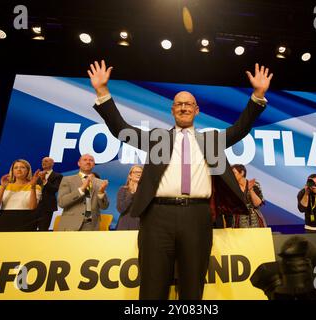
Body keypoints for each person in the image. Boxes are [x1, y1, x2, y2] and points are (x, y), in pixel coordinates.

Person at [87, 59, 272, 299]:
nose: (184, 107)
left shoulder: (211, 141)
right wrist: (102, 91)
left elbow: (240, 128)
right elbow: (120, 128)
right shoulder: (157, 139)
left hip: (198, 216)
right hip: (157, 217)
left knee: (193, 287)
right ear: (172, 110)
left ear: (197, 111)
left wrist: (258, 94)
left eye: (189, 104)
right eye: (179, 104)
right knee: (153, 287)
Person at [57, 154, 109, 231]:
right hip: (70, 226)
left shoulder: (100, 183)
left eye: (91, 160)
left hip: (91, 227)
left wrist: (101, 193)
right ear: (79, 163)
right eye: (85, 160)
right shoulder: (67, 180)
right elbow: (62, 202)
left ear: (94, 164)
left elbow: (104, 207)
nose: (88, 162)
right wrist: (82, 189)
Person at [0, 159, 41, 231]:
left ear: (28, 170)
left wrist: (32, 186)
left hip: (26, 221)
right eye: (16, 167)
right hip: (3, 221)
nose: (19, 169)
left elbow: (32, 207)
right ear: (12, 171)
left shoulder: (35, 187)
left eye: (22, 167)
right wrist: (3, 187)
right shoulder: (5, 186)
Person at [35, 157, 63, 231]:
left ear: (52, 163)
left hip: (47, 207)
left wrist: (44, 180)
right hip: (34, 206)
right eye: (42, 161)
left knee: (43, 229)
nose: (43, 163)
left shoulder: (58, 176)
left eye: (46, 161)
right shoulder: (37, 175)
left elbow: (55, 189)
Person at [116, 165, 143, 230]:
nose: (139, 174)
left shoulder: (146, 191)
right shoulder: (123, 190)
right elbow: (121, 209)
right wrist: (132, 193)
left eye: (141, 172)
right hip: (126, 225)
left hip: (141, 225)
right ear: (130, 175)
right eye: (136, 172)